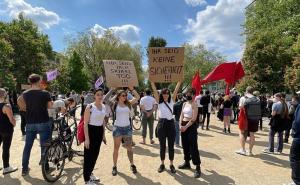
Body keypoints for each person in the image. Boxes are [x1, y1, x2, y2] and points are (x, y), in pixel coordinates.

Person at [17, 74, 53, 176]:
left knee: (27, 146)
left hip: (30, 123)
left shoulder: (25, 93)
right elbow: (50, 106)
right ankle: (45, 167)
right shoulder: (45, 93)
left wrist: (25, 108)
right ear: (39, 81)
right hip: (43, 121)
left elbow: (18, 100)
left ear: (30, 82)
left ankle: (24, 169)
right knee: (44, 145)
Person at [106, 87, 140, 176]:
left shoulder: (128, 104)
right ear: (118, 96)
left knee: (129, 148)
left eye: (125, 95)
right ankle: (114, 166)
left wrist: (132, 89)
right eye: (123, 95)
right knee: (116, 149)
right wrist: (113, 89)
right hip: (118, 128)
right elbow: (105, 99)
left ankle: (132, 165)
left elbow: (137, 97)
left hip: (127, 129)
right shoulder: (115, 104)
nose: (125, 97)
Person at [151, 81, 181, 174]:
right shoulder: (159, 102)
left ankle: (171, 164)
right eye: (164, 93)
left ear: (169, 94)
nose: (165, 95)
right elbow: (155, 91)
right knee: (162, 146)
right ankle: (162, 164)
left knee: (171, 146)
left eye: (167, 93)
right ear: (161, 94)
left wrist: (179, 82)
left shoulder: (172, 100)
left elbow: (176, 90)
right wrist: (152, 82)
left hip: (171, 124)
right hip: (161, 124)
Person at [83, 88, 108, 185]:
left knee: (95, 155)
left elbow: (103, 121)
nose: (100, 96)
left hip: (99, 132)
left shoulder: (104, 106)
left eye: (101, 94)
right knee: (88, 156)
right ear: (94, 96)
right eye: (98, 94)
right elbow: (85, 123)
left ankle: (90, 174)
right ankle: (86, 180)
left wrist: (104, 135)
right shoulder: (90, 107)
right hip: (90, 131)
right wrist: (87, 139)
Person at [178, 88, 201, 178]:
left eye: (189, 93)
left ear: (193, 95)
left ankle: (197, 167)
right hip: (183, 125)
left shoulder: (195, 104)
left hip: (191, 126)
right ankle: (187, 162)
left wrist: (185, 127)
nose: (187, 95)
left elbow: (194, 118)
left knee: (193, 146)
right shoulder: (184, 103)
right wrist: (180, 125)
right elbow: (181, 115)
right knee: (185, 145)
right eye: (187, 93)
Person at [235, 86, 261, 156]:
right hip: (255, 119)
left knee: (242, 133)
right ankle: (250, 151)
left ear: (246, 91)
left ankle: (242, 150)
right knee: (252, 134)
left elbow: (240, 108)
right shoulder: (257, 99)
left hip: (246, 119)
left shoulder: (243, 98)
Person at [0, 88, 18, 174]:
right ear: (4, 95)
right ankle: (6, 167)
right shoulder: (6, 106)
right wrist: (14, 124)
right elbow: (11, 119)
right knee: (6, 148)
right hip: (6, 129)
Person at [290, 97, 300, 185]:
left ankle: (296, 181)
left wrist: (294, 132)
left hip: (298, 137)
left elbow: (297, 122)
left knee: (294, 158)